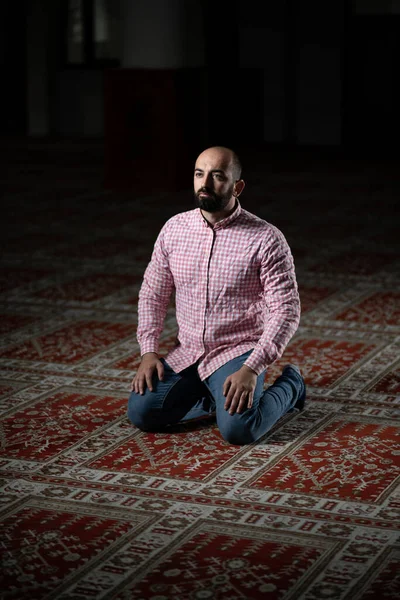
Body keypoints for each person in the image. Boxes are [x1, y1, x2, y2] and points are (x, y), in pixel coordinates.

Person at [127, 146, 305, 445]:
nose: (205, 183)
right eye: (199, 174)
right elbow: (152, 294)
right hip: (189, 351)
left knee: (239, 430)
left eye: (217, 176)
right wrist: (148, 352)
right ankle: (215, 398)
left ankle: (292, 386)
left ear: (238, 186)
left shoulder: (266, 238)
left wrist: (252, 368)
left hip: (239, 351)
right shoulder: (174, 229)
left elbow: (286, 310)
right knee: (142, 414)